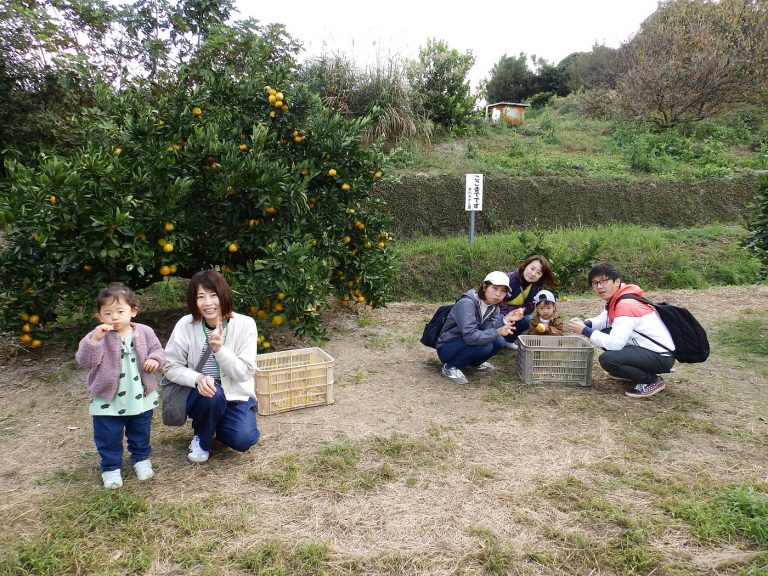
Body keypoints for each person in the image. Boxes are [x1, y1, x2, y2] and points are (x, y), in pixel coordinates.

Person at [164, 270, 260, 463]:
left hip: (235, 394)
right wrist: (197, 378)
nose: (207, 303)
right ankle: (202, 438)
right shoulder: (185, 325)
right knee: (212, 394)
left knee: (243, 439)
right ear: (194, 301)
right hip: (200, 395)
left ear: (223, 295)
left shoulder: (245, 324)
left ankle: (216, 423)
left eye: (213, 295)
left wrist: (219, 350)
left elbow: (244, 373)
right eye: (201, 297)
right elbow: (170, 366)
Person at [75, 283, 166, 489]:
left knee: (140, 430)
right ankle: (110, 467)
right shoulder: (96, 337)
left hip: (139, 395)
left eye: (120, 311)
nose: (114, 317)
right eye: (107, 313)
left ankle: (141, 459)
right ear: (100, 317)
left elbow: (159, 350)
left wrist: (155, 359)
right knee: (108, 434)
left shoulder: (144, 332)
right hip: (108, 398)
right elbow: (85, 361)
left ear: (133, 312)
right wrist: (95, 340)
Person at [566, 262, 675, 398]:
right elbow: (604, 320)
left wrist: (584, 330)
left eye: (604, 281)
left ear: (617, 281)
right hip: (646, 348)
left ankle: (650, 380)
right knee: (606, 332)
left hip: (661, 356)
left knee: (608, 360)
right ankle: (629, 371)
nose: (599, 287)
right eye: (595, 283)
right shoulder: (619, 297)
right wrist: (585, 323)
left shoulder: (625, 304)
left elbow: (615, 344)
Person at [436, 271, 524, 384]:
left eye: (503, 291)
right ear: (484, 287)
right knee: (485, 346)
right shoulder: (467, 303)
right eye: (495, 288)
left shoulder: (494, 307)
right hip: (448, 346)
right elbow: (470, 336)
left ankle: (475, 363)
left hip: (464, 343)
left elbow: (487, 330)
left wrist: (505, 320)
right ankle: (450, 366)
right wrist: (497, 331)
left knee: (499, 341)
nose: (498, 294)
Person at [499, 255, 556, 349]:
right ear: (526, 265)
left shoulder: (537, 286)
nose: (533, 274)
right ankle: (495, 338)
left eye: (538, 272)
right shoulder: (509, 279)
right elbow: (495, 302)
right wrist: (511, 313)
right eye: (532, 268)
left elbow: (530, 307)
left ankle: (509, 339)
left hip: (517, 313)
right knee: (500, 318)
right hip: (499, 313)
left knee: (528, 319)